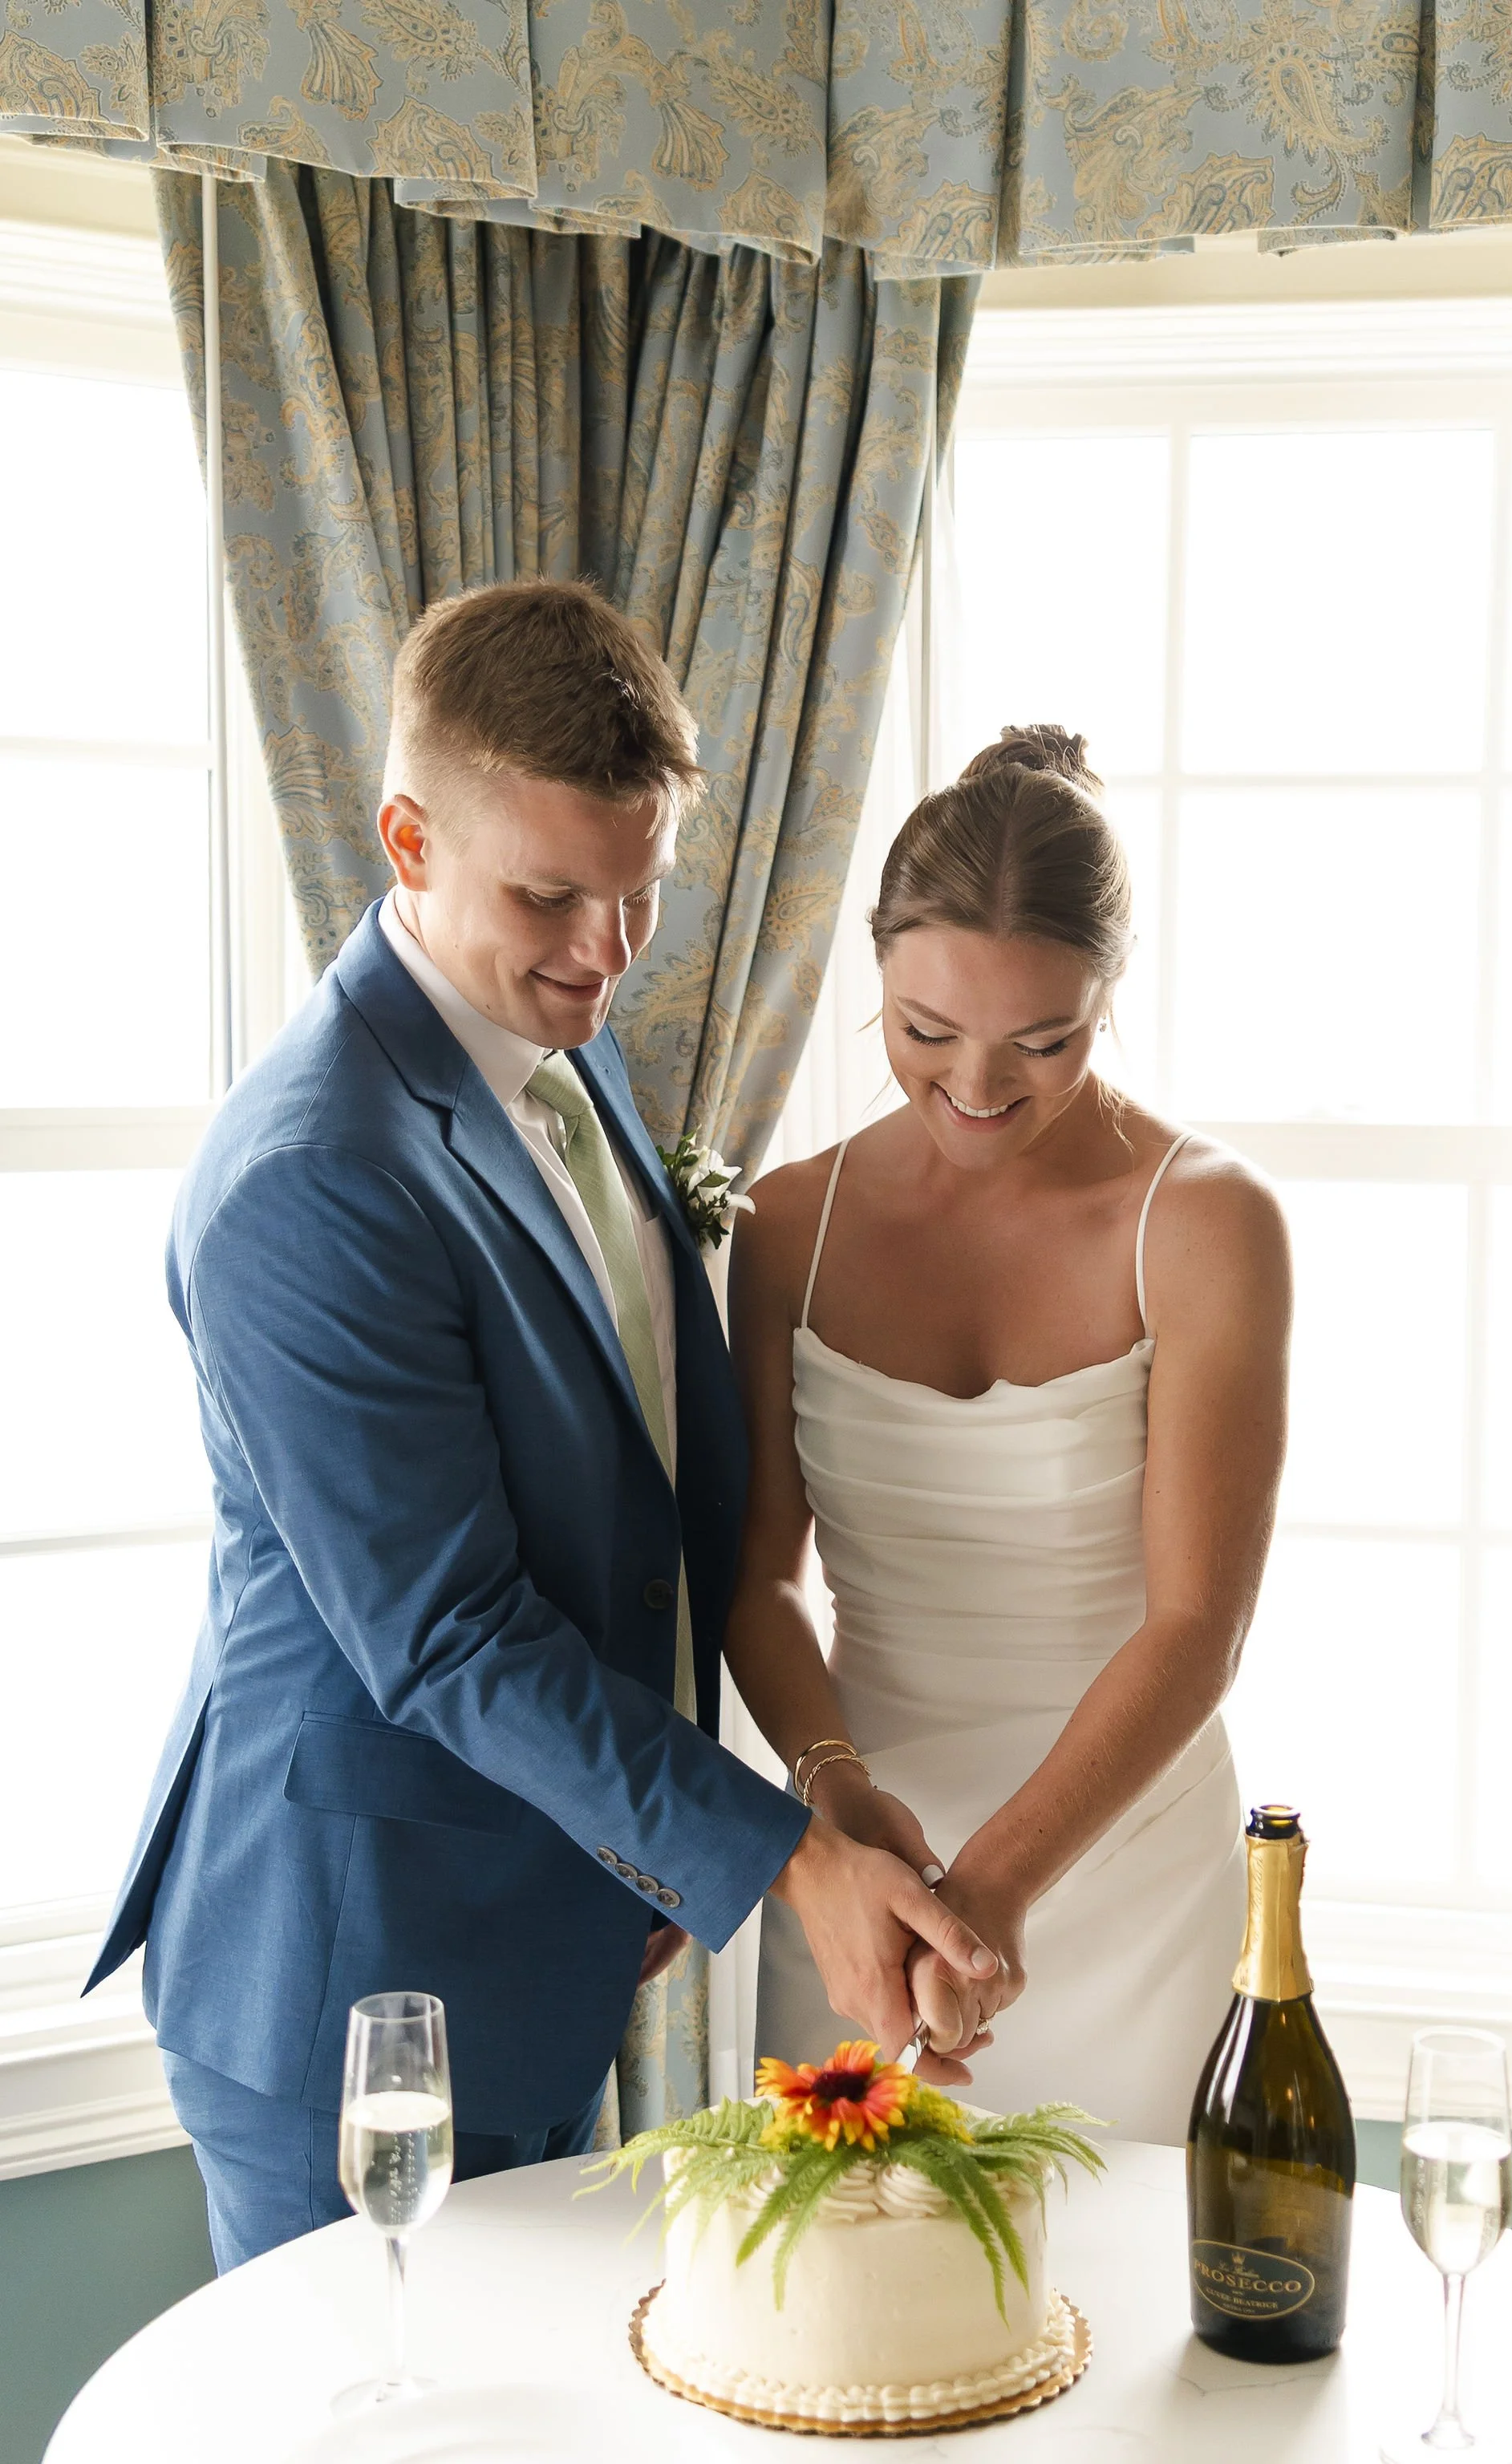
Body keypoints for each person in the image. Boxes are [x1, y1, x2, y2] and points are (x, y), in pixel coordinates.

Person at [87, 580, 995, 2269]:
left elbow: (624, 1501)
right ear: (406, 839)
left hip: (539, 1934)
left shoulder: (561, 1052)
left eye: (641, 894)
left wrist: (648, 1851)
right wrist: (772, 1861)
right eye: (550, 895)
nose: (605, 950)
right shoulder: (312, 1177)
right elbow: (446, 1631)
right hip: (348, 1990)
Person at [730, 725, 1291, 2139]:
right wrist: (834, 1801)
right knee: (844, 2260)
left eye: (1044, 1042)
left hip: (1126, 1866)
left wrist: (993, 1892)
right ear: (875, 973)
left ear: (1109, 993)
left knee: (1138, 2257)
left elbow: (1199, 1626)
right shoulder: (787, 1224)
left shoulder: (1209, 1223)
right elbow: (757, 1580)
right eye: (925, 1033)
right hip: (864, 1877)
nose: (978, 1086)